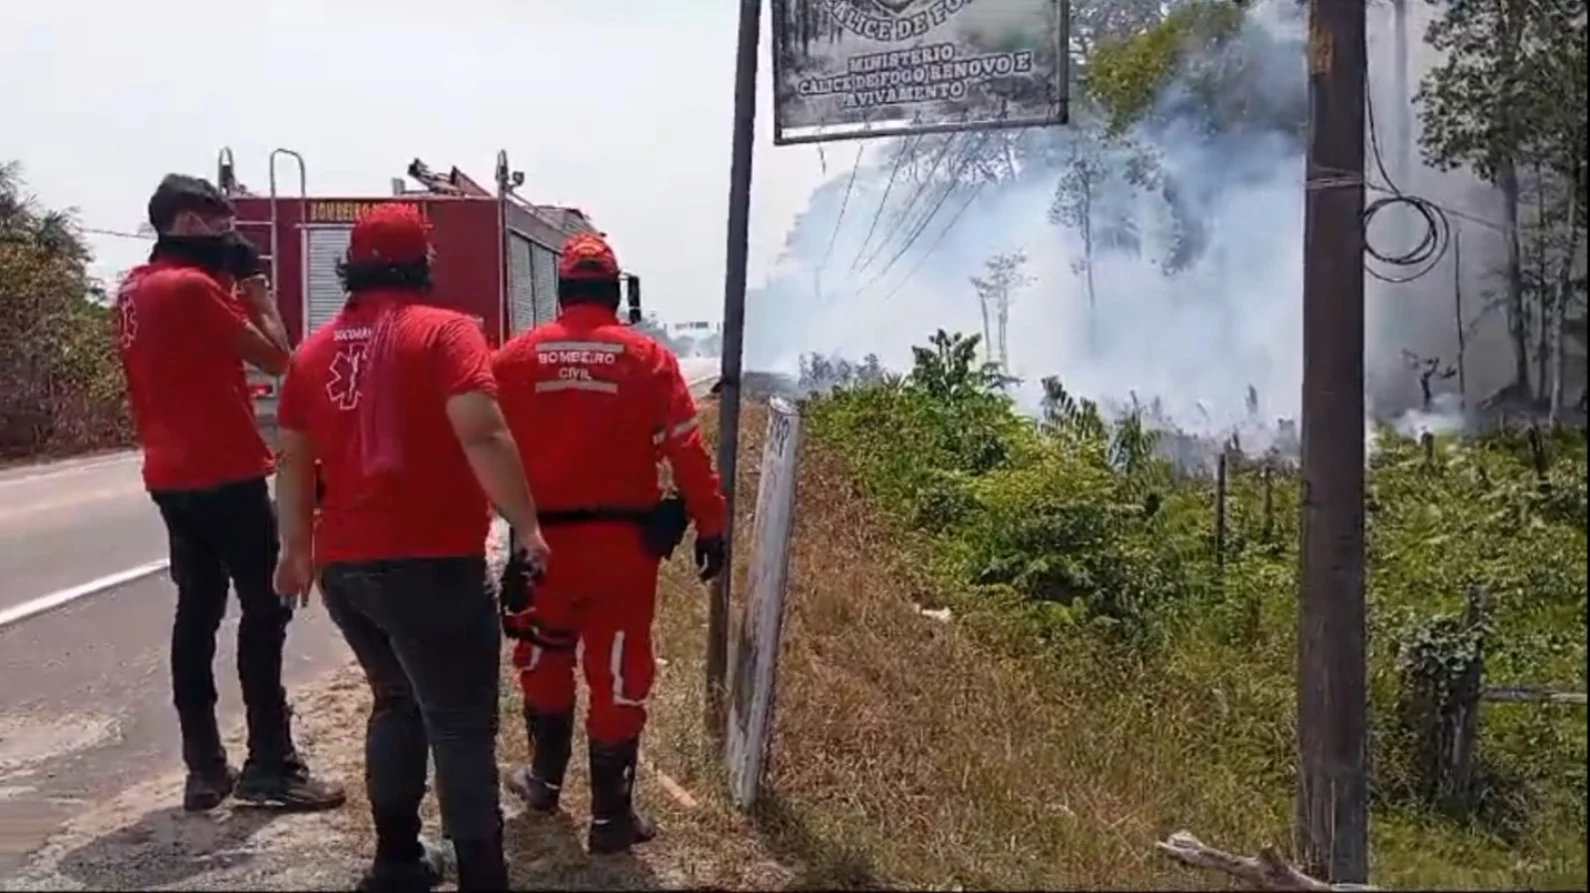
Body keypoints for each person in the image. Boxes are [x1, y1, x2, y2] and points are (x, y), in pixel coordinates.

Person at [271, 202, 551, 892]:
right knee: (459, 720)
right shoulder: (446, 333)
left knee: (395, 698)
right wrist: (527, 526)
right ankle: (483, 875)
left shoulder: (313, 351)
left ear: (350, 266)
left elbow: (293, 461)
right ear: (422, 264)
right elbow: (482, 434)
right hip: (430, 566)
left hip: (347, 571)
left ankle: (397, 860)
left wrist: (294, 548)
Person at [114, 173, 346, 813]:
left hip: (169, 477)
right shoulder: (194, 289)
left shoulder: (135, 287)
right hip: (226, 469)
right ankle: (271, 762)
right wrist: (257, 287)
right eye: (218, 227)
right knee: (266, 607)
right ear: (187, 224)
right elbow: (282, 358)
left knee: (197, 613)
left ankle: (204, 767)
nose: (227, 238)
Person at [492, 231, 727, 855]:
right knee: (620, 672)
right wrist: (710, 525)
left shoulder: (512, 360)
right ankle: (609, 818)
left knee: (542, 658)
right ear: (616, 293)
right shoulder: (648, 359)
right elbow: (689, 453)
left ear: (563, 291)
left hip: (538, 545)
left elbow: (477, 449)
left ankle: (542, 782)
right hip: (624, 551)